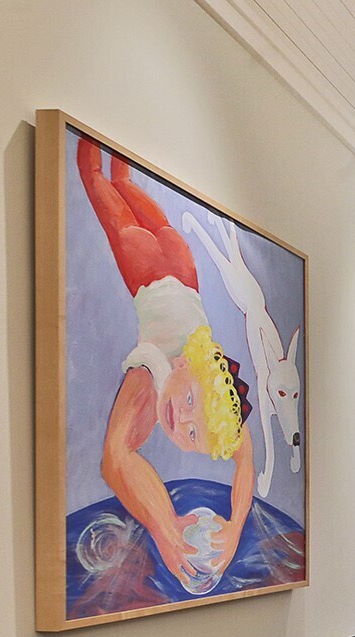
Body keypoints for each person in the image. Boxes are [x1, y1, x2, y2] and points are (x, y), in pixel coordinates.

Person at [77, 136, 253, 591]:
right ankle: (96, 138)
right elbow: (116, 459)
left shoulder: (209, 388)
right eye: (191, 399)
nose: (181, 417)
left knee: (117, 184)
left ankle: (113, 151)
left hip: (182, 266)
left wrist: (234, 530)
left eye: (191, 435)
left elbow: (245, 459)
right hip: (150, 270)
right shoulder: (151, 373)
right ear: (184, 370)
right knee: (99, 183)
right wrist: (165, 526)